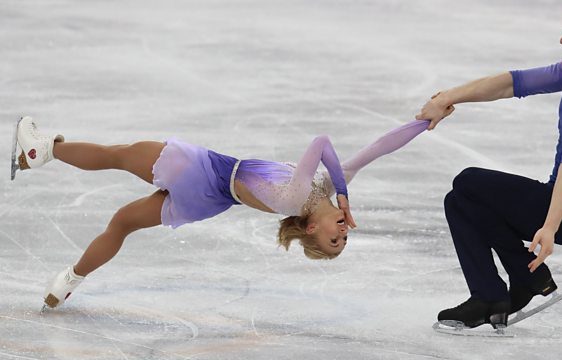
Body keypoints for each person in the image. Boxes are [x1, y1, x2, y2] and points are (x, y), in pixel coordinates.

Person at [13, 114, 441, 309]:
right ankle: (68, 282)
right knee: (123, 223)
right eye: (344, 238)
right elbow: (376, 150)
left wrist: (344, 193)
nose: (343, 232)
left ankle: (41, 150)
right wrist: (424, 122)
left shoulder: (297, 198)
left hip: (202, 170)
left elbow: (321, 142)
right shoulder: (320, 190)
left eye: (333, 240)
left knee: (116, 154)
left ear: (311, 227)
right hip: (211, 200)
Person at [415, 2, 562, 329]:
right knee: (460, 202)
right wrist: (447, 97)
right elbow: (510, 83)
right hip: (561, 199)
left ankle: (514, 281)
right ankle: (497, 292)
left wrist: (550, 227)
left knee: (469, 182)